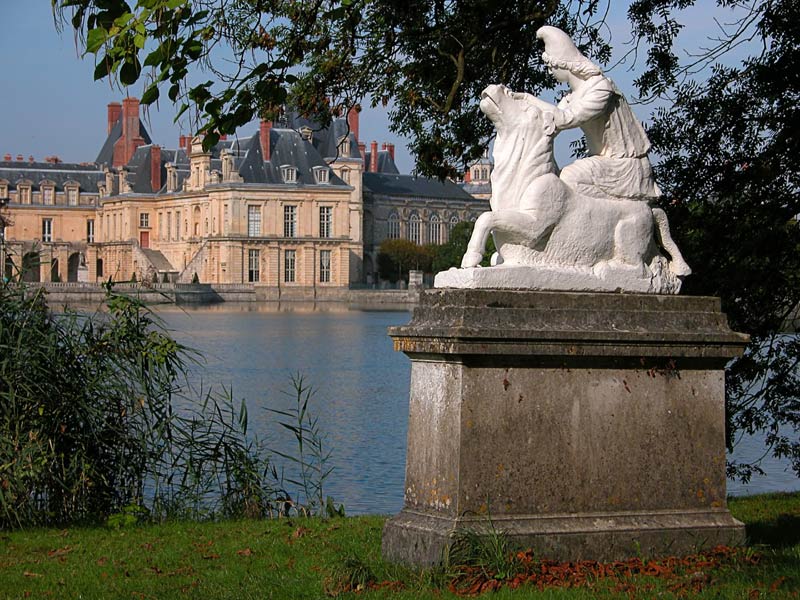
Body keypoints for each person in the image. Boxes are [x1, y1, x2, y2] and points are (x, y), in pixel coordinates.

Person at [535, 26, 659, 202]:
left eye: (551, 66)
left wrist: (528, 99)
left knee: (570, 178)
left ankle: (616, 212)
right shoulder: (571, 98)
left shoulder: (600, 88)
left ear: (563, 63)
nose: (549, 72)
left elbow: (566, 119)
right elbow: (549, 123)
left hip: (625, 167)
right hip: (607, 164)